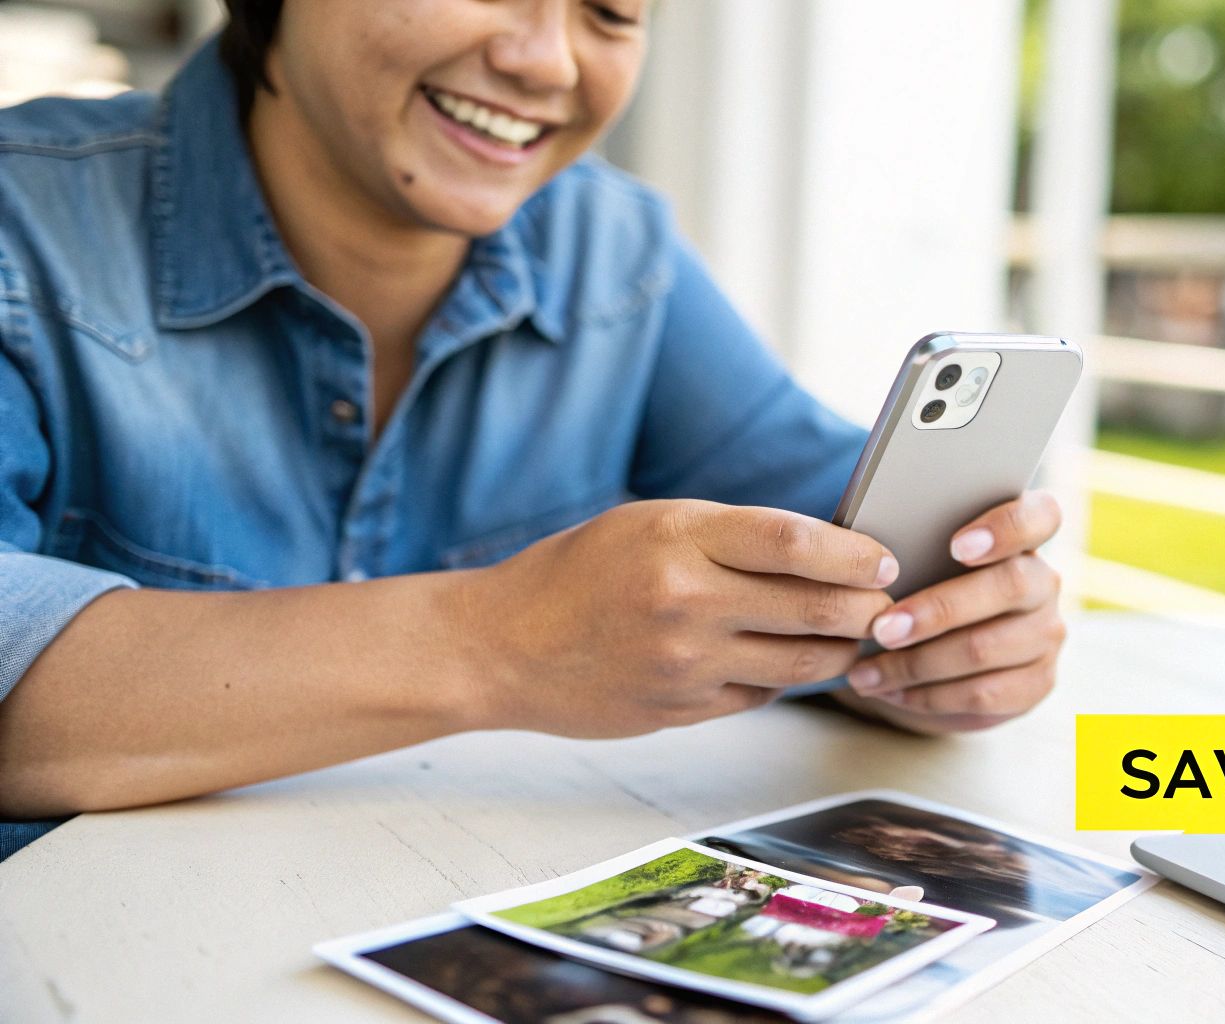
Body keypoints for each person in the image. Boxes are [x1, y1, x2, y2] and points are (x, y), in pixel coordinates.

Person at [0, 0, 1067, 858]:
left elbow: (827, 513)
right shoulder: (26, 230)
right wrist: (503, 638)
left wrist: (939, 639)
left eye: (610, 11)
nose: (549, 60)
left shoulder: (612, 249)